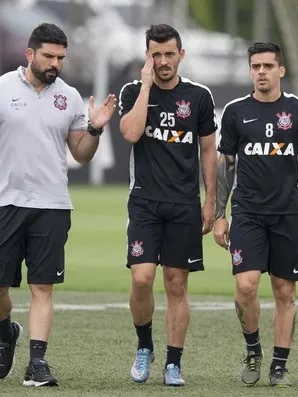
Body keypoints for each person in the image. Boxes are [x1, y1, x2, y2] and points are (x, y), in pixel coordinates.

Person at [0, 23, 116, 387]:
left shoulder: (70, 96)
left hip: (52, 205)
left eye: (61, 58)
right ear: (30, 54)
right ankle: (6, 334)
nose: (55, 64)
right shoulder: (2, 87)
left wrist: (95, 130)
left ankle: (37, 362)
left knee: (42, 286)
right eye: (48, 56)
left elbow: (80, 154)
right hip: (6, 202)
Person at [119, 24, 217, 386]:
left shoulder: (199, 96)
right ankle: (145, 347)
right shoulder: (133, 90)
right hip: (144, 199)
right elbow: (130, 133)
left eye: (168, 54)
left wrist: (211, 202)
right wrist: (145, 85)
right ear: (148, 56)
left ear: (181, 54)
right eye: (155, 54)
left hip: (183, 204)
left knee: (177, 284)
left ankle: (173, 363)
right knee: (142, 278)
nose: (163, 61)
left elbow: (208, 150)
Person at [214, 42, 298, 387]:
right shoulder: (235, 111)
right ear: (250, 71)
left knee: (284, 291)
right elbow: (226, 165)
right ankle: (253, 349)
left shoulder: (295, 110)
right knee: (246, 287)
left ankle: (279, 364)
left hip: (289, 213)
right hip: (248, 213)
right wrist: (220, 214)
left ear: (280, 70)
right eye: (255, 66)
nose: (261, 71)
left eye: (267, 65)